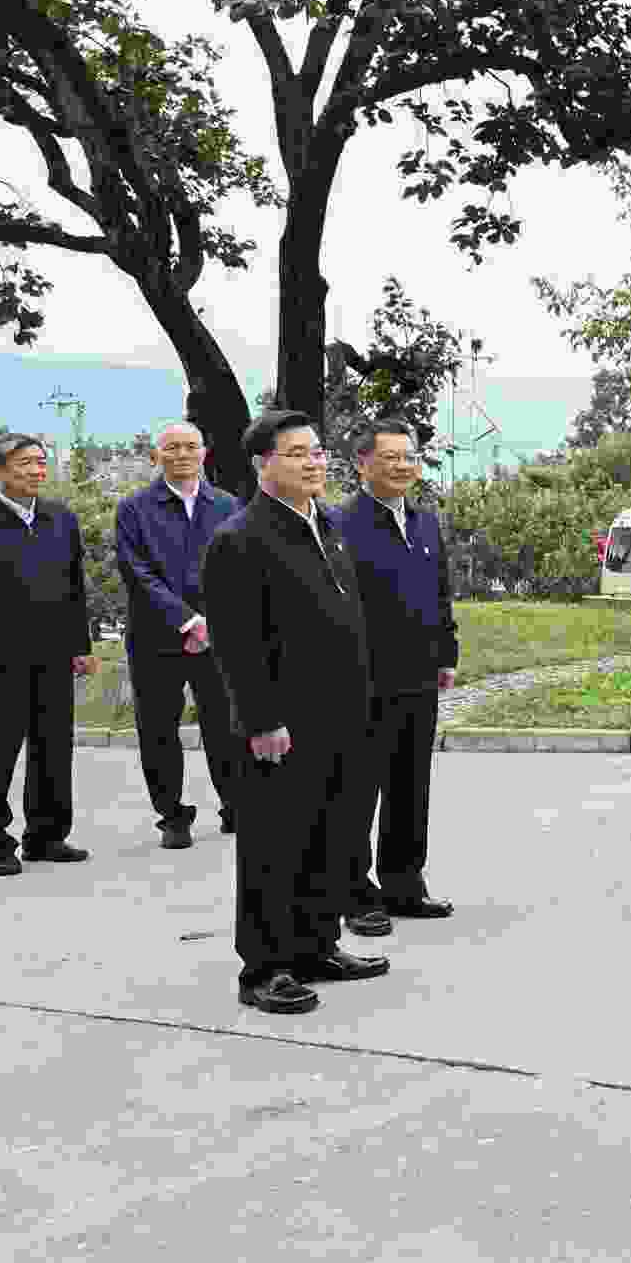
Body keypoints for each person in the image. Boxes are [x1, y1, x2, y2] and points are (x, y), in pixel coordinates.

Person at [204, 412, 382, 1017]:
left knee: (329, 836)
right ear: (263, 465)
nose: (314, 462)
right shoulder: (240, 539)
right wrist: (260, 720)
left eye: (318, 451)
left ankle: (315, 946)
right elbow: (236, 644)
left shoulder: (326, 526)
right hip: (280, 724)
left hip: (342, 714)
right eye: (298, 453)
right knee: (274, 846)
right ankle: (265, 967)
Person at [0, 435, 95, 876]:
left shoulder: (61, 519)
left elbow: (74, 588)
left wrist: (80, 646)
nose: (35, 470)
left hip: (53, 656)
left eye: (40, 462)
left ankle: (47, 836)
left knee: (53, 750)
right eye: (24, 462)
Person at [333, 422, 462, 932]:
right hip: (363, 680)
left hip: (419, 674)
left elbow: (440, 591)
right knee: (357, 791)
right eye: (391, 457)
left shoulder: (425, 522)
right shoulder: (341, 523)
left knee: (410, 786)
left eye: (410, 457)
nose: (403, 466)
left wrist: (446, 652)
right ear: (362, 463)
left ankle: (404, 884)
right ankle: (354, 894)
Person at [114, 422, 244, 848]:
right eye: (172, 448)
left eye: (190, 446)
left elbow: (238, 569)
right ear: (157, 456)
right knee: (158, 729)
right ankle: (172, 815)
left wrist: (212, 623)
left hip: (218, 636)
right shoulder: (133, 509)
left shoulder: (227, 505)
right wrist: (188, 621)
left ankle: (235, 805)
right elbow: (137, 573)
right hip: (156, 636)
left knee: (225, 724)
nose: (182, 454)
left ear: (204, 453)